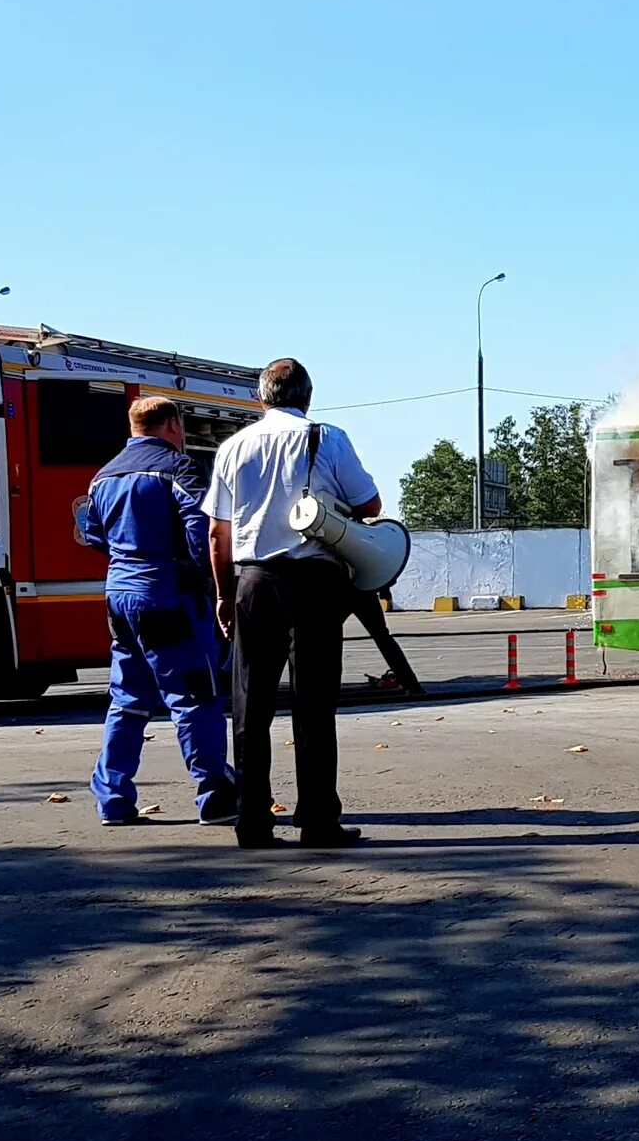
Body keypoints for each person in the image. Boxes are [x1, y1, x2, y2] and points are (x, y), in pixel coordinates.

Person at [204, 358, 376, 850]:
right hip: (316, 579)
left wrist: (223, 593)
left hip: (253, 580)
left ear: (261, 398)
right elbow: (371, 506)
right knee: (314, 704)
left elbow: (219, 531)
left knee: (249, 707)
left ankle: (252, 823)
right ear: (308, 396)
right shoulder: (328, 438)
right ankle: (318, 820)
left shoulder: (233, 447)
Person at [75, 396, 236, 826]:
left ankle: (112, 800)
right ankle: (215, 794)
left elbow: (90, 533)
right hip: (167, 594)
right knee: (194, 696)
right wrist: (212, 579)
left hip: (119, 595)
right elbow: (201, 532)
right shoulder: (178, 468)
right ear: (170, 425)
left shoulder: (103, 477)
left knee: (126, 701)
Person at [350, 590, 425, 696]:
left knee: (383, 637)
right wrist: (384, 588)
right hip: (364, 591)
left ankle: (411, 685)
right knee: (383, 637)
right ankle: (411, 685)